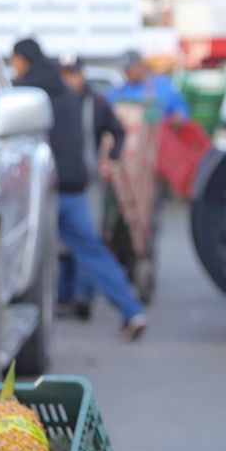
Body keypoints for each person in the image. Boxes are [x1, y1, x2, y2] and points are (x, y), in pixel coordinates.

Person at [12, 39, 147, 340]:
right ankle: (132, 311)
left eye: (15, 60)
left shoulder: (26, 93)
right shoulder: (69, 94)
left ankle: (27, 333)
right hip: (75, 188)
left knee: (25, 260)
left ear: (23, 60)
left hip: (41, 193)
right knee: (93, 252)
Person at [57, 52, 128, 319]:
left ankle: (83, 296)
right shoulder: (58, 102)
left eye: (72, 74)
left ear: (81, 74)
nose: (69, 80)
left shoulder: (96, 103)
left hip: (89, 183)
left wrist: (110, 159)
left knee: (88, 240)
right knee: (64, 244)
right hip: (64, 183)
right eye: (64, 74)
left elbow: (118, 131)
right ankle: (65, 296)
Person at [110, 48, 189, 122]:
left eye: (132, 68)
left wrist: (178, 118)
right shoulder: (117, 92)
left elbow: (181, 110)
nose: (129, 72)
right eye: (126, 70)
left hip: (159, 130)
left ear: (142, 66)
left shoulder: (163, 86)